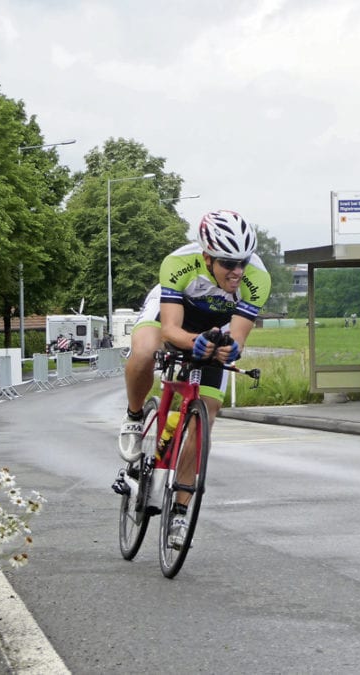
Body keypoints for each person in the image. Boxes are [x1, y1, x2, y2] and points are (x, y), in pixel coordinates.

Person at [117, 209, 271, 547]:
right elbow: (171, 329)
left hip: (215, 324)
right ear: (206, 256)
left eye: (242, 261)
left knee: (207, 415)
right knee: (144, 352)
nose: (237, 271)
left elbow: (240, 337)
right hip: (173, 311)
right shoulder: (179, 263)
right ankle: (133, 416)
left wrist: (229, 350)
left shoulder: (257, 277)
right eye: (228, 263)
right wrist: (191, 342)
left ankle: (179, 514)